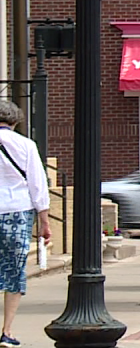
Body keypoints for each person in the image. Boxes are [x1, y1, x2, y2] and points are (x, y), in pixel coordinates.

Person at [0, 100, 50, 347]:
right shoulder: (26, 145)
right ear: (15, 121)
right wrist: (44, 220)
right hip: (17, 210)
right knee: (14, 270)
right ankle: (7, 330)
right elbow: (38, 183)